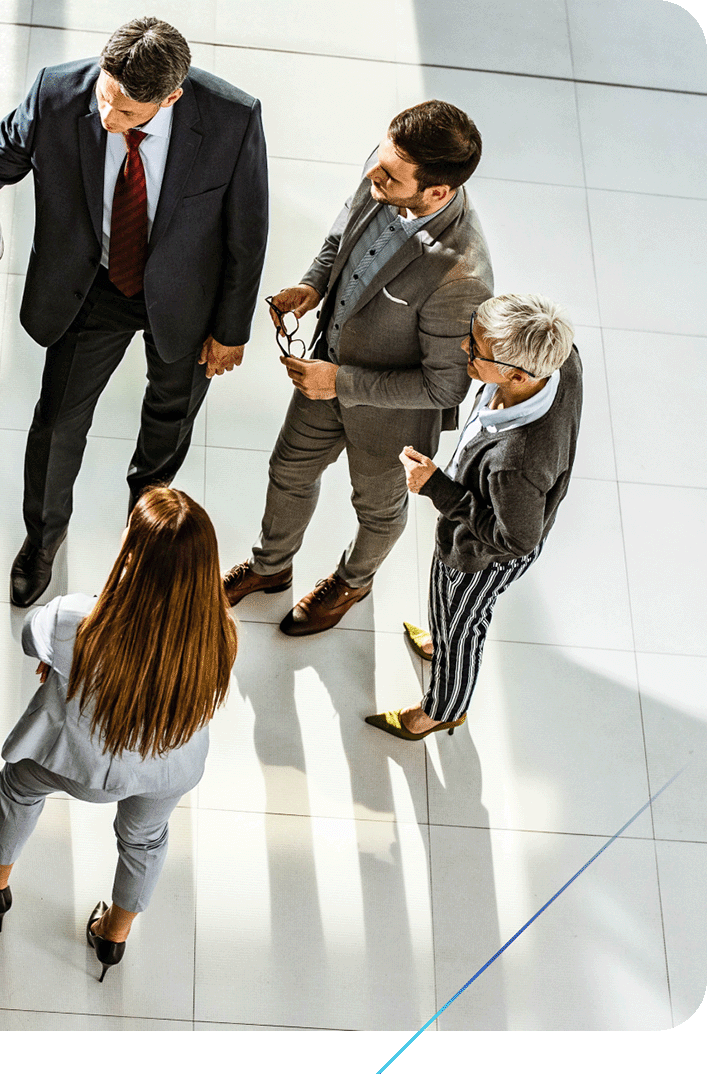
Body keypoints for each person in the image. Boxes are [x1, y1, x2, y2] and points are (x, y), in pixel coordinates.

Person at [0, 18, 268, 607]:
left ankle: (144, 532)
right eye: (106, 99)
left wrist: (232, 331)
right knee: (56, 427)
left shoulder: (233, 118)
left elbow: (247, 231)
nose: (108, 119)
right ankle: (43, 539)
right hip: (92, 288)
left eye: (128, 114)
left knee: (167, 425)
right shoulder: (58, 92)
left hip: (185, 302)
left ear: (172, 97)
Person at [223, 100, 492, 636]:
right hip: (325, 376)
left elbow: (445, 386)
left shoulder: (460, 275)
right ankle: (271, 567)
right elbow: (339, 239)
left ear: (436, 193)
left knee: (377, 510)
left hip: (389, 419)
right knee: (288, 472)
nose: (374, 172)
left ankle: (353, 581)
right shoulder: (385, 173)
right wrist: (312, 285)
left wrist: (340, 382)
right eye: (380, 157)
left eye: (390, 174)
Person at [0, 487, 237, 981]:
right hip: (166, 769)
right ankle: (113, 935)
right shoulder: (219, 634)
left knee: (19, 789)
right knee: (145, 840)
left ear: (130, 551)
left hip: (75, 760)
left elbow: (29, 636)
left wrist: (57, 660)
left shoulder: (78, 620)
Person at [366, 294, 581, 739]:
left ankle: (445, 708)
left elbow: (516, 539)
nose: (465, 348)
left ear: (517, 375)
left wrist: (436, 487)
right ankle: (441, 638)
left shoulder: (515, 463)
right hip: (500, 520)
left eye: (475, 348)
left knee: (463, 627)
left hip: (480, 557)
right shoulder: (563, 361)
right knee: (449, 618)